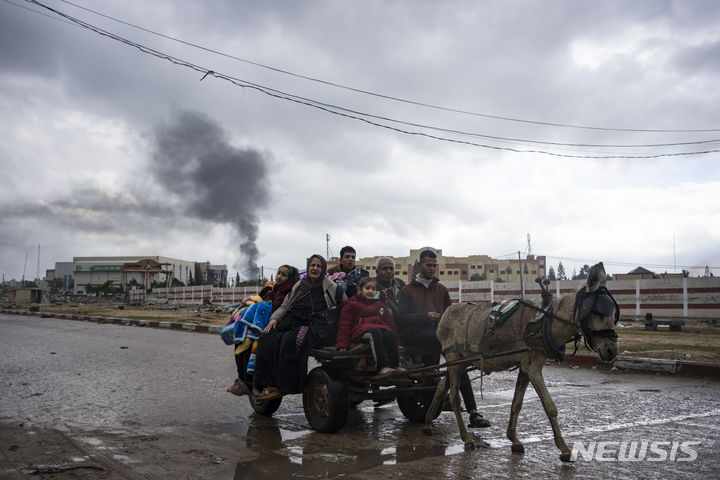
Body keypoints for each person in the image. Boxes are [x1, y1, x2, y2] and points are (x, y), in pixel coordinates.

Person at [397, 249, 490, 428]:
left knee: (458, 363)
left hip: (439, 334)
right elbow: (401, 318)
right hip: (414, 336)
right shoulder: (407, 290)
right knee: (456, 357)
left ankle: (473, 412)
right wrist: (425, 316)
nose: (432, 268)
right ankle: (468, 409)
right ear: (420, 265)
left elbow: (450, 314)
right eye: (428, 265)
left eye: (434, 265)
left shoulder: (441, 289)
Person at [253, 254, 344, 401]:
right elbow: (285, 305)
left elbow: (344, 306)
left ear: (323, 269)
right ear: (308, 268)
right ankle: (266, 384)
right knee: (266, 338)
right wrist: (274, 319)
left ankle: (284, 386)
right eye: (312, 265)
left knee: (290, 342)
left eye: (318, 266)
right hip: (291, 320)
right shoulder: (299, 285)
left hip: (314, 325)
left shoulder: (331, 287)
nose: (315, 268)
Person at [227, 265, 300, 396]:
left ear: (290, 279)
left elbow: (280, 310)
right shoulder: (274, 290)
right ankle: (243, 379)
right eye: (278, 273)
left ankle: (248, 381)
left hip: (275, 325)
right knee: (241, 339)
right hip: (264, 323)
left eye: (284, 275)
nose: (279, 276)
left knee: (251, 342)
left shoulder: (289, 293)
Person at [336, 277, 404, 375]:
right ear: (359, 290)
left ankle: (396, 365)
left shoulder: (379, 304)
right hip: (360, 333)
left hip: (379, 330)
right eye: (367, 288)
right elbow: (344, 325)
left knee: (390, 333)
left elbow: (390, 323)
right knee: (375, 332)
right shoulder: (352, 304)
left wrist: (398, 343)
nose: (370, 291)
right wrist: (342, 345)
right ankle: (381, 367)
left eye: (373, 289)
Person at [373, 257, 406, 324]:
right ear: (377, 271)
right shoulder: (372, 285)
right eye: (385, 269)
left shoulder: (399, 283)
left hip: (403, 319)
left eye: (391, 268)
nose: (388, 271)